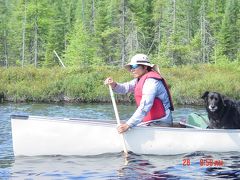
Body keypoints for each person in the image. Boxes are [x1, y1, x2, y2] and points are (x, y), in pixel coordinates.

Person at [104, 54, 174, 134]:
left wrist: (128, 125)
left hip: (160, 123)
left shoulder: (151, 82)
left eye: (134, 66)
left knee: (130, 124)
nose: (131, 70)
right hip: (150, 122)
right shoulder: (139, 80)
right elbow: (124, 88)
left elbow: (145, 106)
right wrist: (113, 84)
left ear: (145, 67)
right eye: (131, 67)